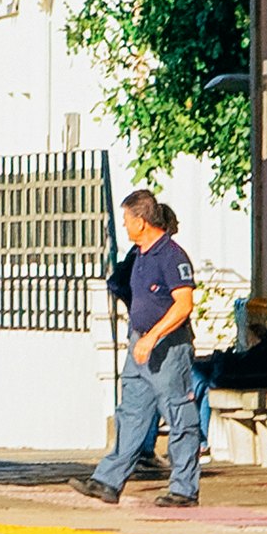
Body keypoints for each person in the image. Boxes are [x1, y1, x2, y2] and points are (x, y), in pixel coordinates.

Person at [81, 184, 207, 508]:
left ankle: (184, 489)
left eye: (126, 218)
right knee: (132, 414)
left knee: (178, 413)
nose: (123, 224)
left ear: (142, 221)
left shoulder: (171, 255)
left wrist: (152, 337)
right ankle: (108, 480)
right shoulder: (139, 255)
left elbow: (183, 305)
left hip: (166, 346)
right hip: (139, 344)